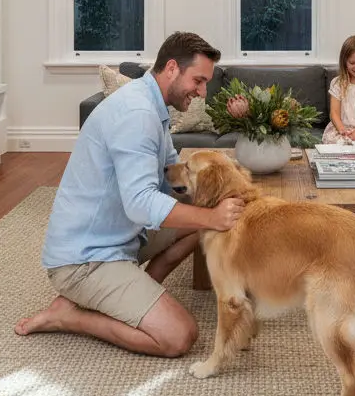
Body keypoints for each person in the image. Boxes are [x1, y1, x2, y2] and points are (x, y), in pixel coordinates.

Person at [14, 32, 245, 357]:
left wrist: (226, 191)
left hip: (120, 238)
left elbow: (171, 184)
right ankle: (70, 317)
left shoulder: (153, 107)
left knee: (203, 222)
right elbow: (141, 205)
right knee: (179, 336)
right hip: (85, 260)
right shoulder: (137, 115)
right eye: (199, 80)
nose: (203, 91)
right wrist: (211, 215)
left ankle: (139, 293)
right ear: (171, 69)